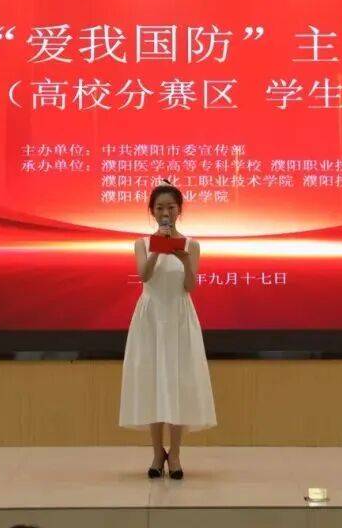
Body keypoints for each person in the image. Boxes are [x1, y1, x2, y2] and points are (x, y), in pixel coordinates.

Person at [119, 180, 217, 479]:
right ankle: (155, 453)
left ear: (179, 210)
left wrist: (185, 261)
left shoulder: (192, 245)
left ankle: (174, 454)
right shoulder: (141, 243)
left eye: (171, 207)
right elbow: (144, 276)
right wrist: (156, 249)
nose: (166, 213)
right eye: (160, 208)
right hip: (150, 318)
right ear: (152, 211)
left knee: (178, 383)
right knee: (153, 381)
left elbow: (190, 286)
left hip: (179, 317)